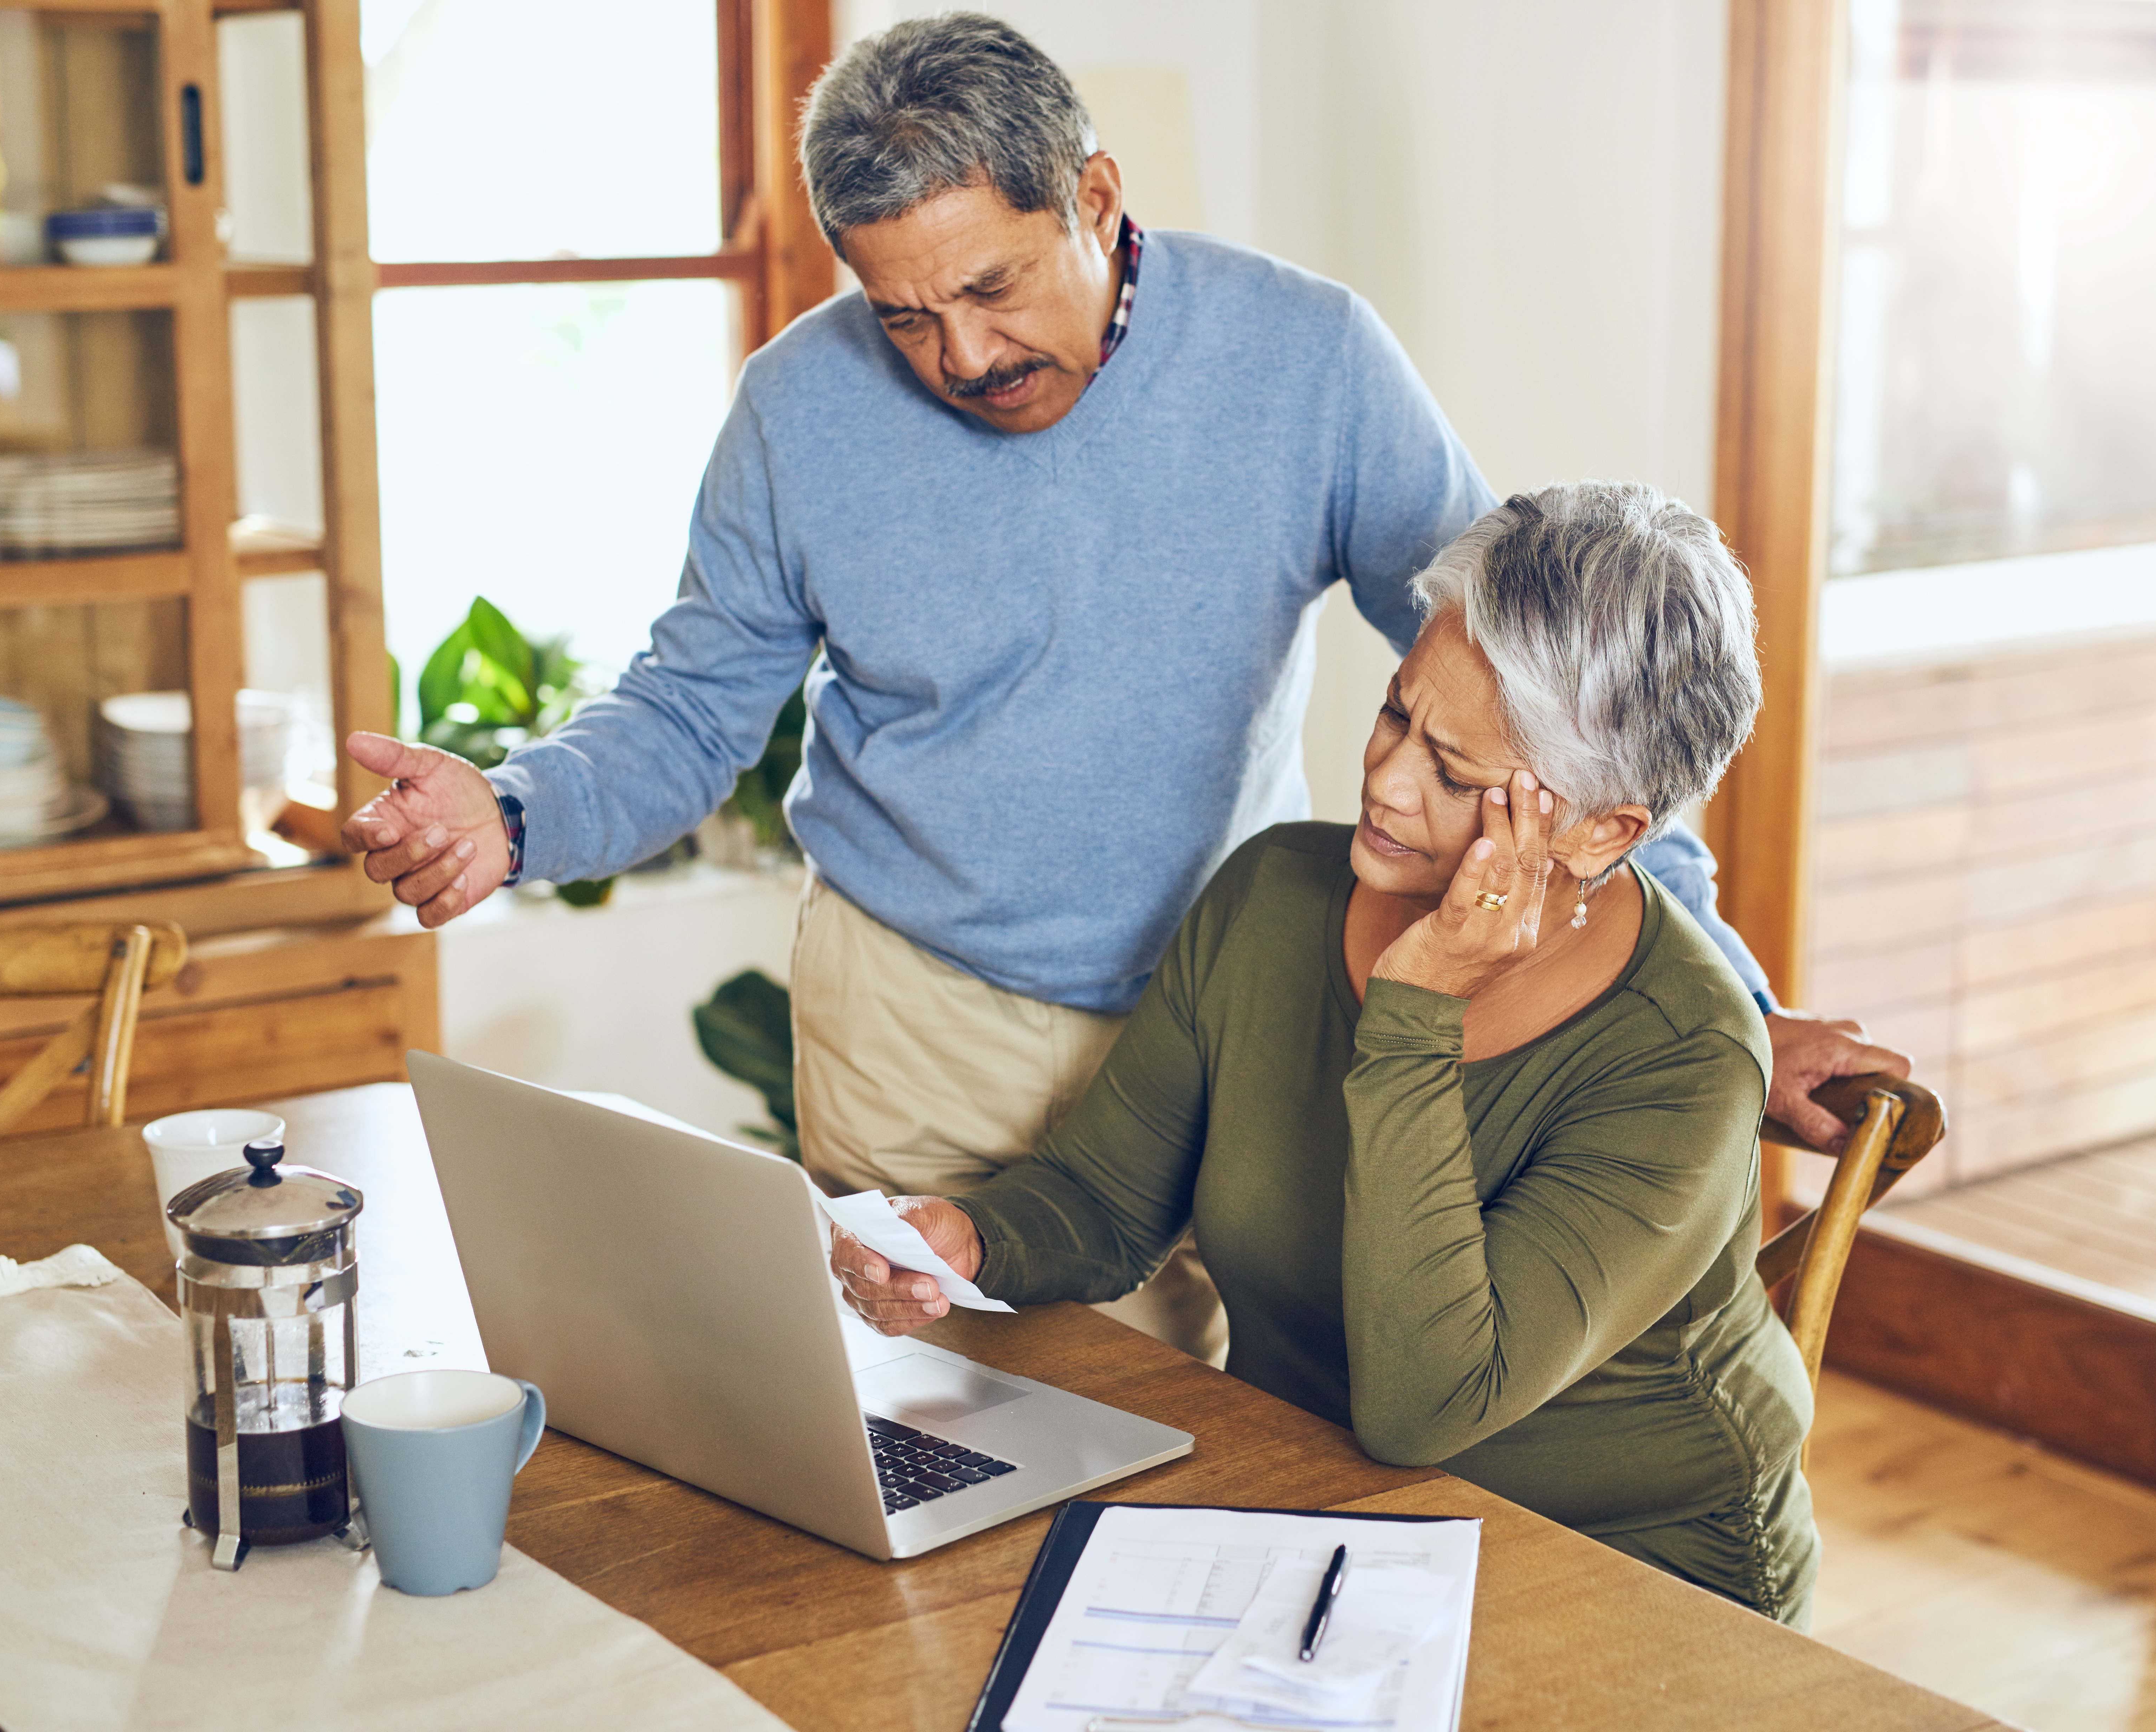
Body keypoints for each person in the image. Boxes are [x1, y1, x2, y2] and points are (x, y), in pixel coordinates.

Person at [335, 14, 1903, 1365]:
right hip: (922, 1026)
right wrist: (516, 807)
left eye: (994, 287)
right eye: (902, 313)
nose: (957, 354)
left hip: (1243, 1005)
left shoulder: (1306, 363)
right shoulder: (797, 409)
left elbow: (1556, 691)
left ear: (1094, 195)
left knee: (1275, 1433)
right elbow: (692, 708)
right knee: (997, 1470)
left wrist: (1731, 1005)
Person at [833, 484, 1821, 1627]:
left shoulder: (1684, 1060)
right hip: (1310, 1513)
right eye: (1400, 715)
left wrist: (1416, 1011)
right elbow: (1105, 1199)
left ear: (1601, 829)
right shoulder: (1275, 894)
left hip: (1626, 1570)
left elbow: (1425, 1406)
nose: (1388, 781)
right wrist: (976, 1238)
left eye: (1456, 775)